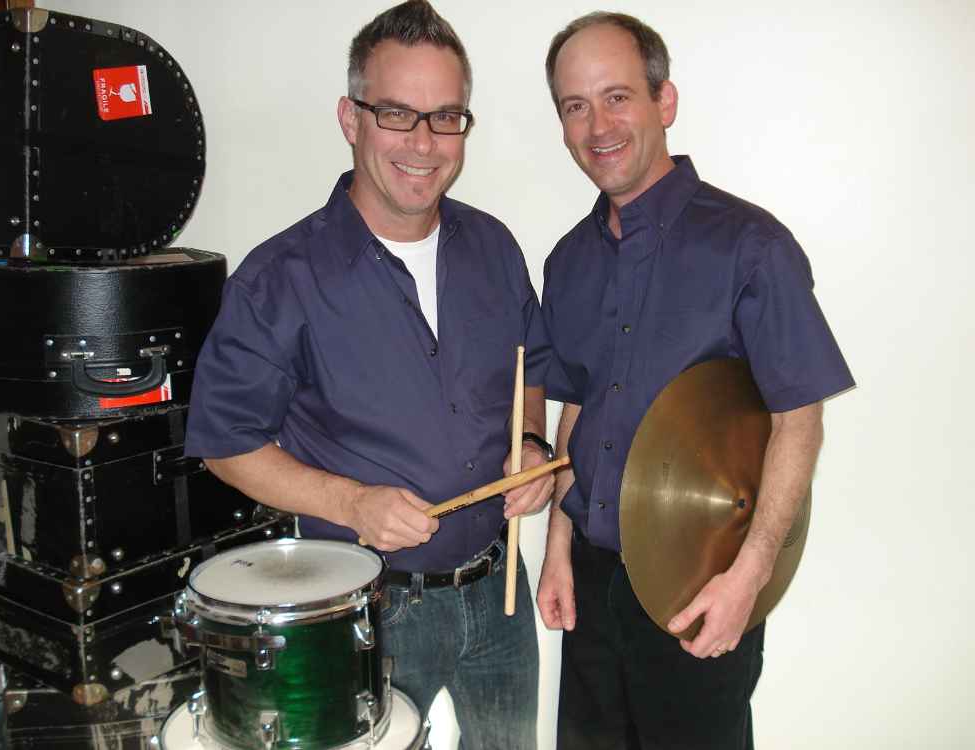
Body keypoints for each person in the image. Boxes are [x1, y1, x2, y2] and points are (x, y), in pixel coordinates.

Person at [185, 2, 552, 747]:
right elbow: (225, 442)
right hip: (369, 611)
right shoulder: (278, 277)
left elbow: (530, 371)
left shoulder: (494, 248)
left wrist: (534, 449)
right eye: (397, 114)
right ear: (351, 119)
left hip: (499, 592)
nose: (424, 143)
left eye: (446, 117)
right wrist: (352, 502)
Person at [535, 12, 855, 750]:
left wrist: (748, 579)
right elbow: (577, 407)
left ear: (663, 102)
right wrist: (556, 549)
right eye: (574, 106)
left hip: (700, 580)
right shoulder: (568, 261)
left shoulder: (751, 247)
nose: (597, 126)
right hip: (591, 575)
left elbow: (798, 421)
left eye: (617, 97)